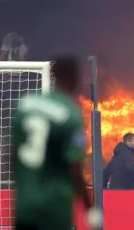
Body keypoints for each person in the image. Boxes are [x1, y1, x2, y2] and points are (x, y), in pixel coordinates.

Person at [11, 56, 103, 230]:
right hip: (55, 208)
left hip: (25, 205)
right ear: (75, 78)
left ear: (52, 74)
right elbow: (75, 168)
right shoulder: (70, 113)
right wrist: (89, 208)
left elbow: (13, 153)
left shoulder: (26, 105)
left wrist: (23, 187)